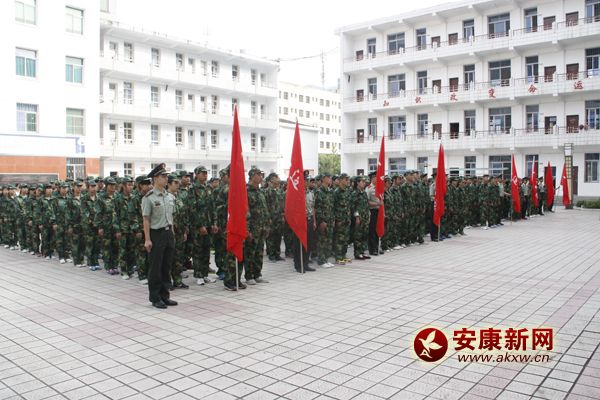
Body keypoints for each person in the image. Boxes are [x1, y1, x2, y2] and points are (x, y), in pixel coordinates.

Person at [142, 163, 178, 309]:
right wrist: (147, 239)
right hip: (156, 234)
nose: (166, 178)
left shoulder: (170, 197)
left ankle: (165, 295)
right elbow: (146, 219)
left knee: (166, 266)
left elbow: (171, 217)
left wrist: (172, 233)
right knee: (155, 267)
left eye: (166, 176)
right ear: (155, 178)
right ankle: (155, 297)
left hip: (168, 233)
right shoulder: (148, 198)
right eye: (163, 176)